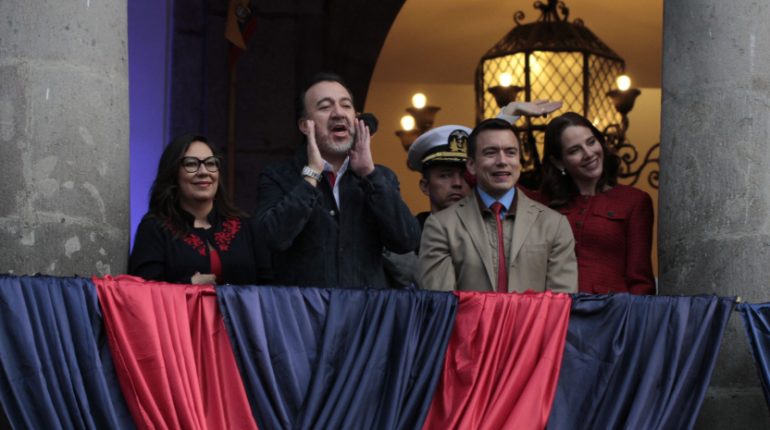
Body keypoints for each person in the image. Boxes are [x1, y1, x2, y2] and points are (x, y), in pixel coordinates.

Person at [254, 72, 420, 289]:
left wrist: (369, 174)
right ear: (305, 125)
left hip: (366, 315)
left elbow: (406, 240)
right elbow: (270, 239)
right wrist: (311, 175)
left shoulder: (380, 177)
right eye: (324, 107)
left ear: (356, 119)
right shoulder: (278, 176)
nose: (338, 113)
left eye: (346, 105)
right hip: (304, 315)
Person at [417, 118, 577, 293]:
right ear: (471, 165)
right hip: (471, 321)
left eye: (510, 152)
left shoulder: (553, 224)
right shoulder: (441, 226)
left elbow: (560, 304)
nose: (502, 161)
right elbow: (441, 306)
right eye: (490, 153)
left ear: (519, 162)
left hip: (534, 321)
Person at [539, 112, 655, 294]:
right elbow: (480, 174)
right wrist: (511, 113)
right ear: (559, 162)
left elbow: (641, 282)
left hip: (611, 316)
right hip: (556, 315)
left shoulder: (634, 201)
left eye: (591, 142)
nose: (588, 153)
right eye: (574, 150)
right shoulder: (543, 202)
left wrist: (636, 321)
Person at [129, 134, 260, 285]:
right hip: (181, 309)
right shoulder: (154, 228)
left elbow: (267, 289)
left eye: (211, 163)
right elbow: (142, 292)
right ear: (173, 173)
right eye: (191, 164)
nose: (204, 171)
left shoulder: (244, 226)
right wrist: (189, 284)